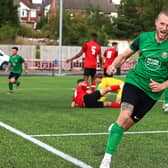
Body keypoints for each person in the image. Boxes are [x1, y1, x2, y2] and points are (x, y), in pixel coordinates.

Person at [100, 11, 168, 168]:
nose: (165, 28)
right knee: (124, 116)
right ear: (156, 23)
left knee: (125, 125)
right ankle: (106, 160)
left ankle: (117, 127)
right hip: (134, 82)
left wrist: (163, 86)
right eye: (162, 24)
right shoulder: (143, 38)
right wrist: (113, 66)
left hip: (152, 94)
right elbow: (124, 55)